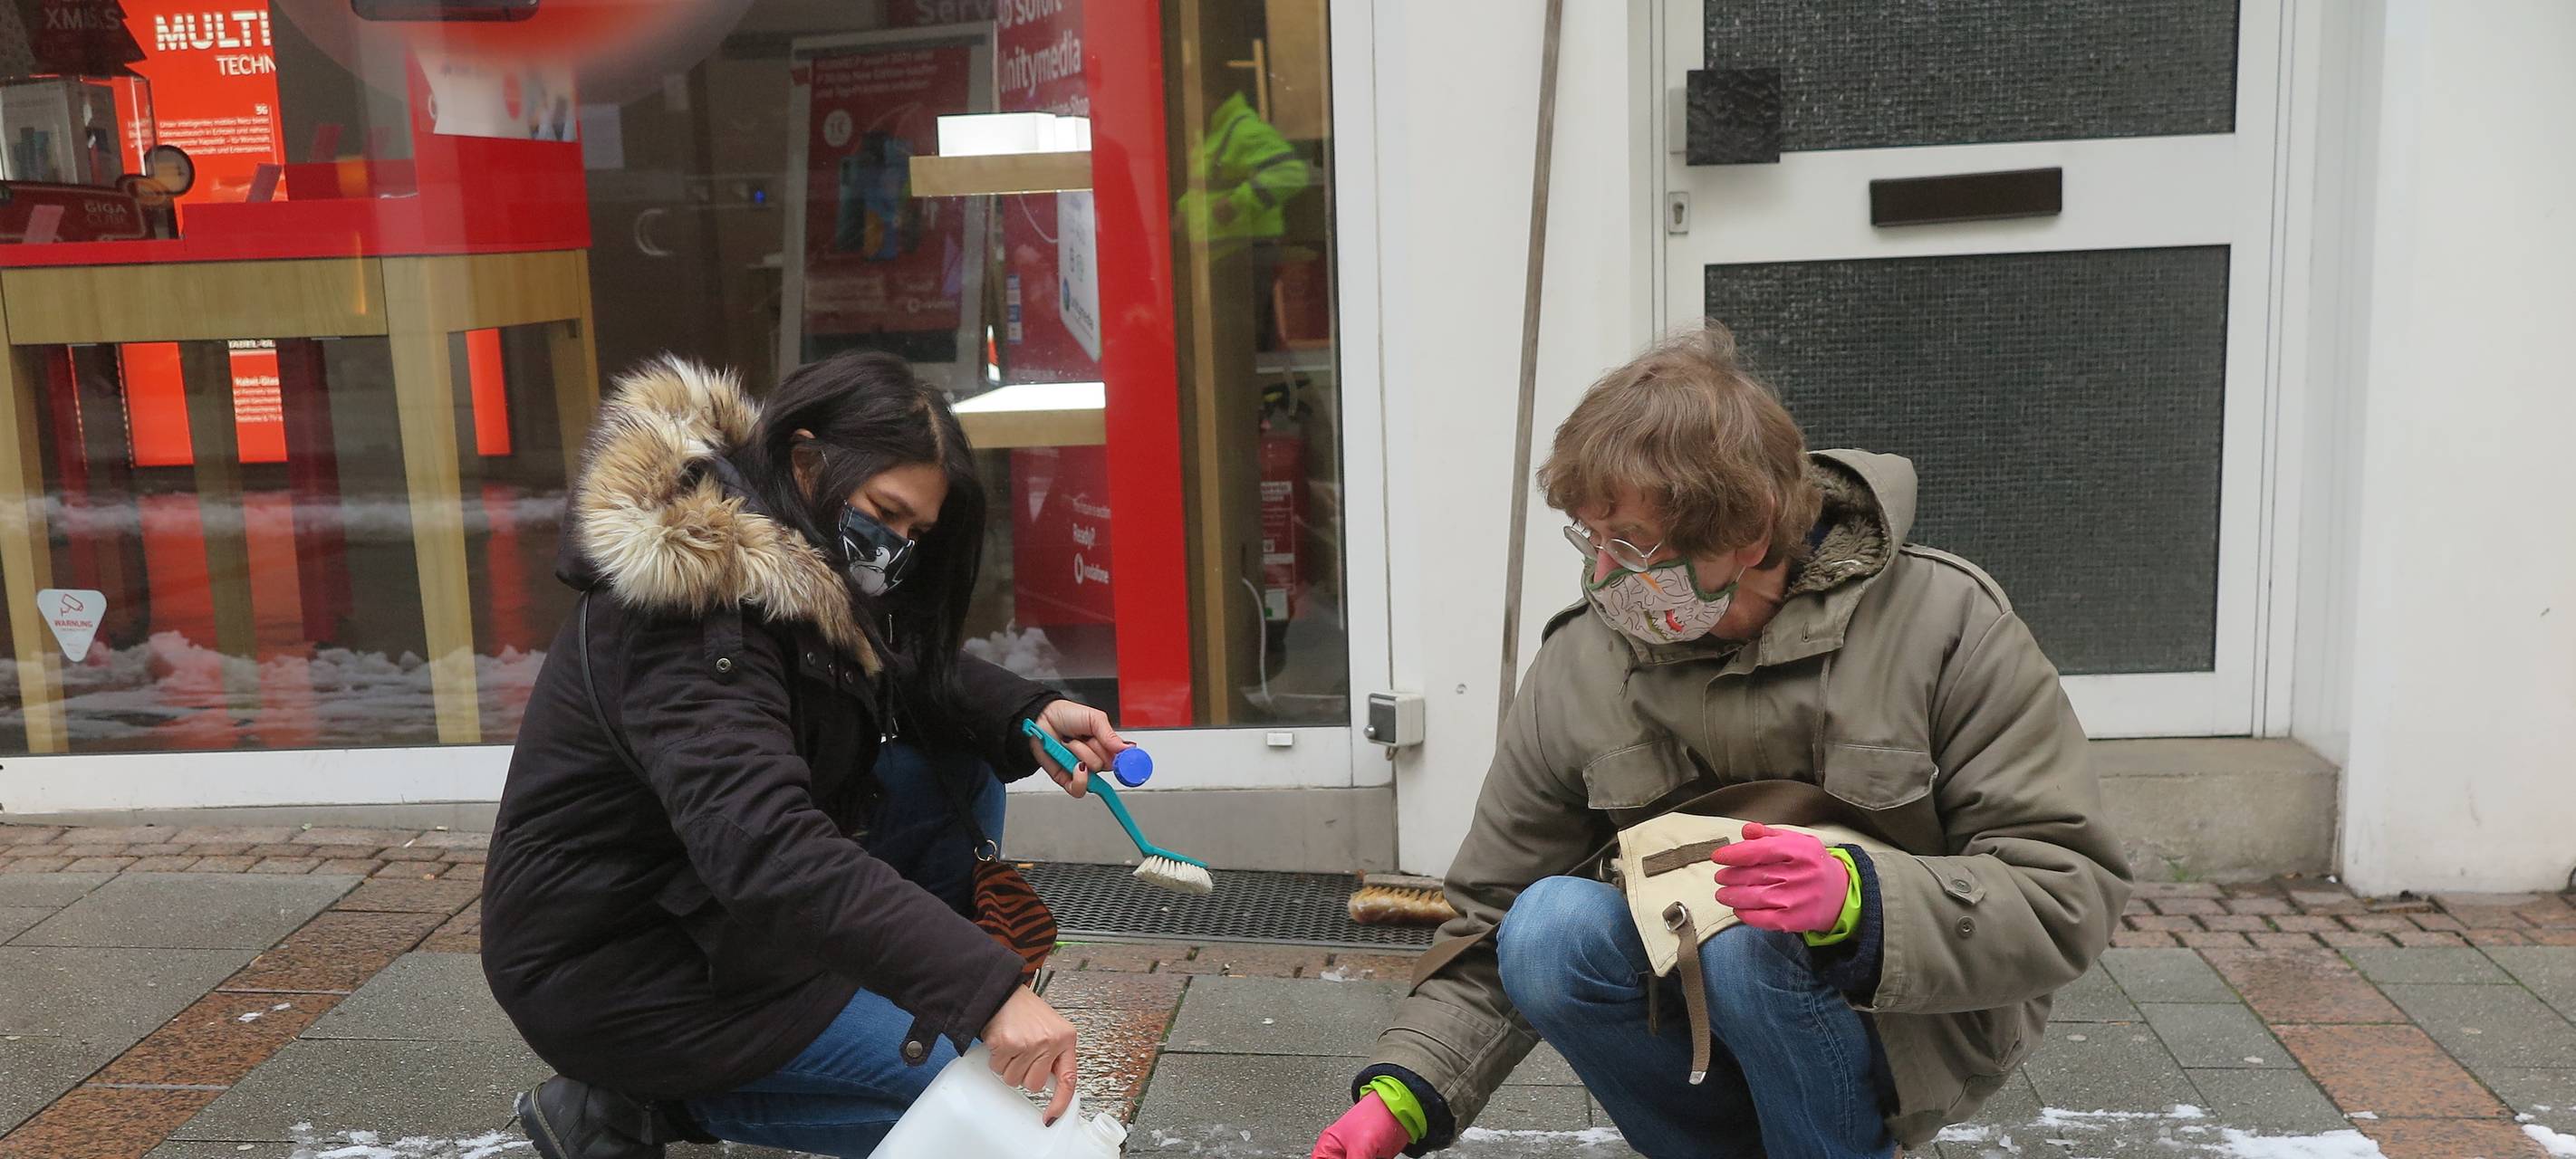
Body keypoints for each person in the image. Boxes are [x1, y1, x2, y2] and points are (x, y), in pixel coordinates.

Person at [1311, 325, 2130, 1159]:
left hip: (1908, 1020)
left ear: (1748, 533)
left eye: (1629, 545)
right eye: (1590, 539)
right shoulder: (1578, 662)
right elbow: (1493, 914)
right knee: (1547, 926)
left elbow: (2065, 891)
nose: (1600, 577)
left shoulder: (1946, 623)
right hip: (1689, 1008)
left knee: (1746, 934)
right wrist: (1405, 1094)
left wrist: (1858, 901)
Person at [483, 351, 1131, 1159]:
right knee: (995, 1118)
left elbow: (893, 661)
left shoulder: (787, 544)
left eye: (914, 533)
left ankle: (865, 1020)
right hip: (625, 964)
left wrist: (1027, 712)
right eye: (886, 512)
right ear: (806, 459)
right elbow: (768, 848)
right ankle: (646, 1101)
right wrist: (985, 991)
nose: (893, 547)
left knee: (950, 761)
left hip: (712, 911)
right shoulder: (694, 618)